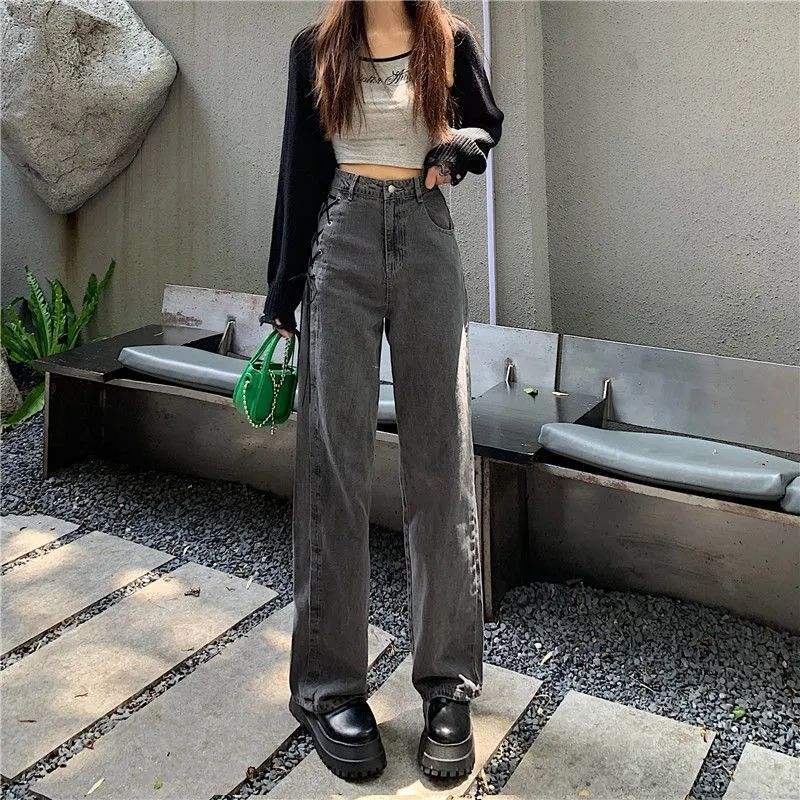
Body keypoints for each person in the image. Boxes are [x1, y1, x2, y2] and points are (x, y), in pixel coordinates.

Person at [261, 0, 504, 780]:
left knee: (442, 462)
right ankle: (328, 690)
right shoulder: (316, 47)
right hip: (343, 241)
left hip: (427, 239)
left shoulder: (449, 39)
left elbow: (486, 126)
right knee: (335, 466)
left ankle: (447, 688)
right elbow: (300, 170)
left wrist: (455, 150)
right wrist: (283, 292)